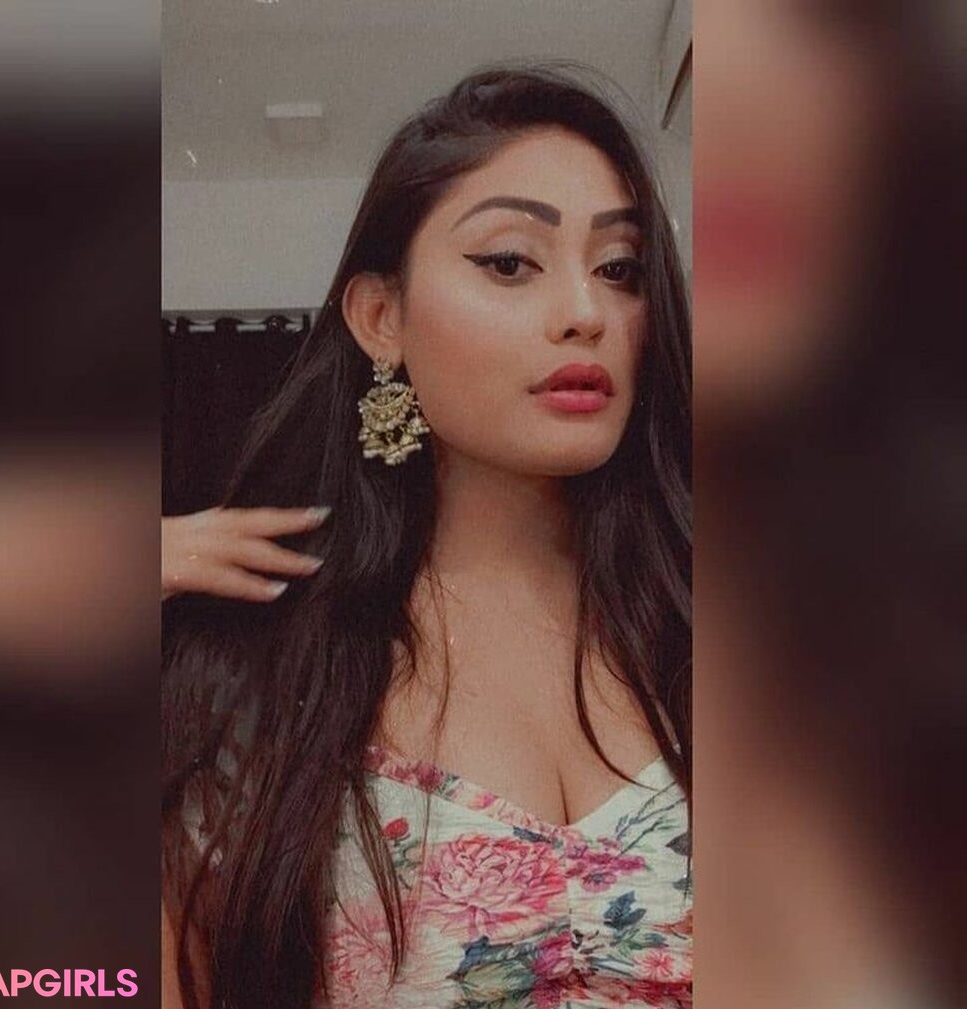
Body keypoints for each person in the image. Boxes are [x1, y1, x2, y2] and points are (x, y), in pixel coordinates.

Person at [162, 61, 691, 1009]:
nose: (587, 313)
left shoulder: (723, 626)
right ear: (381, 318)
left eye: (619, 269)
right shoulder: (255, 670)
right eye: (510, 262)